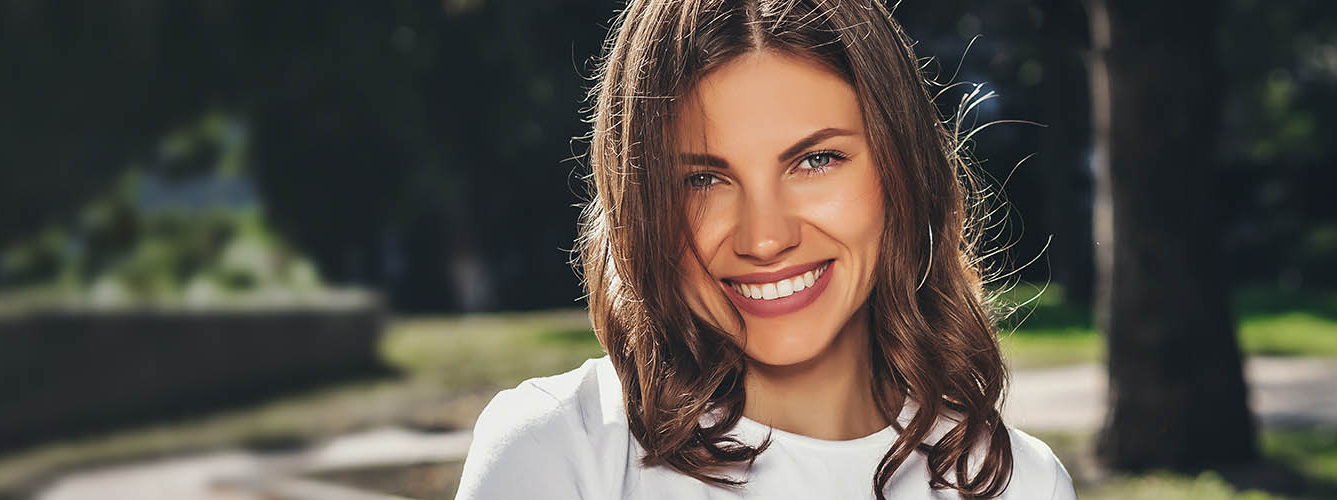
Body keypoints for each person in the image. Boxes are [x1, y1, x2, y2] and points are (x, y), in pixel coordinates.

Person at [455, 0, 1076, 498]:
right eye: (702, 179)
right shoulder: (561, 450)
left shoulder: (1018, 483)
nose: (765, 238)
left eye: (816, 160)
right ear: (644, 207)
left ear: (902, 172)